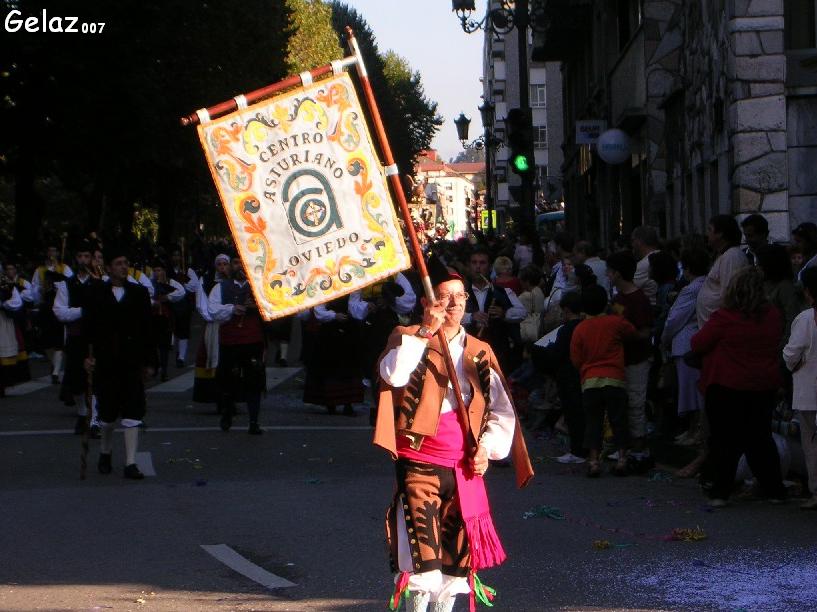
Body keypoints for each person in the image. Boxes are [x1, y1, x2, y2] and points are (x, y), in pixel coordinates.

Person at [374, 256, 532, 612]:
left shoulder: (480, 351)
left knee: (454, 570)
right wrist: (426, 332)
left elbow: (502, 412)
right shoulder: (407, 337)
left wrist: (486, 449)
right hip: (420, 461)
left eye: (460, 297)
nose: (455, 304)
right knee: (422, 564)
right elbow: (393, 376)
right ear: (428, 303)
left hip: (464, 467)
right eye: (445, 297)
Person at [690, 266, 787, 507]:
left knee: (725, 439)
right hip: (762, 384)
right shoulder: (773, 316)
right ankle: (774, 488)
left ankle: (720, 491)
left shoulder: (725, 317)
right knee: (760, 438)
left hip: (727, 383)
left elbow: (698, 343)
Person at [83, 246, 156, 479]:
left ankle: (130, 462)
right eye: (118, 263)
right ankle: (105, 452)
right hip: (106, 361)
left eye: (126, 263)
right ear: (108, 268)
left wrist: (149, 361)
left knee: (134, 410)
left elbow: (147, 330)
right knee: (107, 414)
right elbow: (89, 328)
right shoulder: (96, 293)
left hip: (132, 361)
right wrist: (87, 356)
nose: (124, 267)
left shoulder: (139, 294)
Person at [570, 284, 638, 477]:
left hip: (590, 380)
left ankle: (593, 461)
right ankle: (623, 458)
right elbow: (632, 333)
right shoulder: (615, 322)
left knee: (593, 422)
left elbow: (576, 358)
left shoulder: (580, 328)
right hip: (614, 377)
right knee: (618, 420)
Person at [660, 249, 709, 476]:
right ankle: (693, 429)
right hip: (692, 340)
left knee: (690, 391)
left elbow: (675, 317)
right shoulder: (705, 286)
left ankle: (695, 430)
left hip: (686, 340)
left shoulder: (692, 289)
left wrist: (664, 338)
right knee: (691, 390)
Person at [207, 256, 267, 434]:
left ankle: (254, 422)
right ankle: (226, 412)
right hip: (230, 342)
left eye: (243, 262)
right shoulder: (220, 287)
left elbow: (276, 308)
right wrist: (233, 309)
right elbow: (213, 311)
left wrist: (258, 306)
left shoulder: (259, 286)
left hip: (253, 341)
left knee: (254, 382)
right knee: (227, 380)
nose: (240, 266)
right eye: (236, 262)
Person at [607, 251, 654, 467]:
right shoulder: (617, 299)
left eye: (610, 271)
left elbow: (646, 332)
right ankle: (623, 446)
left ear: (617, 273)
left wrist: (627, 333)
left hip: (636, 359)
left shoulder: (638, 300)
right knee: (620, 404)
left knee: (636, 402)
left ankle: (638, 447)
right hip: (618, 359)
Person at [53, 239, 103, 433]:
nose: (83, 260)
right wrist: (82, 311)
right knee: (76, 381)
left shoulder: (100, 283)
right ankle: (83, 413)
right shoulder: (67, 284)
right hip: (76, 337)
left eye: (87, 256)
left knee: (95, 378)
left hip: (95, 337)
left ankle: (94, 419)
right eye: (80, 256)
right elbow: (59, 311)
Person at [532, 291, 585, 463]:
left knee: (573, 412)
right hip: (585, 374)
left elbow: (550, 353)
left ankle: (578, 451)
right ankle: (589, 450)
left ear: (566, 310)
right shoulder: (586, 327)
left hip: (568, 376)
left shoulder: (564, 331)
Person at [782, 267, 817, 511]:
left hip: (811, 391)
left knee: (812, 443)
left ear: (807, 292)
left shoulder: (806, 319)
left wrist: (793, 364)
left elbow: (791, 353)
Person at [463, 247, 526, 374]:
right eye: (474, 263)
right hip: (468, 351)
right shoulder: (461, 293)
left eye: (482, 263)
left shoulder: (503, 291)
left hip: (497, 351)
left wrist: (504, 314)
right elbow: (449, 316)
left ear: (490, 267)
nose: (478, 267)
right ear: (469, 266)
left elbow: (522, 312)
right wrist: (471, 317)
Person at [696, 214, 749, 328]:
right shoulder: (724, 255)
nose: (707, 234)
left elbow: (729, 294)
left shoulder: (731, 257)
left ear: (720, 234)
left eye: (710, 230)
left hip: (720, 327)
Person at [31, 242, 73, 385]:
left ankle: (55, 372)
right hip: (46, 306)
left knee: (59, 341)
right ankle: (54, 363)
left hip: (59, 305)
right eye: (50, 250)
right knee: (47, 342)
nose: (52, 253)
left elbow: (70, 284)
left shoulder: (64, 268)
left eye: (54, 250)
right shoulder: (40, 270)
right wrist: (39, 293)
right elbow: (34, 289)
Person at [192, 253, 231, 404]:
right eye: (219, 264)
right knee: (213, 355)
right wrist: (211, 317)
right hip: (214, 324)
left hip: (230, 323)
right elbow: (200, 302)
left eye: (225, 264)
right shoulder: (206, 280)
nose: (222, 267)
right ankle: (213, 394)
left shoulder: (233, 281)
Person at [150, 260, 186, 382]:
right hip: (153, 318)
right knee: (153, 344)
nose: (156, 273)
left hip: (166, 318)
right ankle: (156, 365)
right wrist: (153, 302)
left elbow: (181, 292)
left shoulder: (171, 282)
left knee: (164, 346)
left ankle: (164, 370)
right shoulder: (151, 283)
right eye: (154, 270)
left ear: (164, 271)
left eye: (159, 270)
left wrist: (168, 297)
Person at [169, 245, 200, 368]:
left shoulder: (188, 270)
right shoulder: (168, 270)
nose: (176, 258)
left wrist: (184, 283)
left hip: (184, 305)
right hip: (171, 303)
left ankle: (181, 356)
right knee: (172, 328)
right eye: (174, 255)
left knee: (183, 330)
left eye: (178, 255)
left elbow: (195, 285)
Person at [0, 276, 25, 398]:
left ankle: (2, 385)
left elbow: (17, 301)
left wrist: (3, 303)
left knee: (3, 354)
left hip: (3, 321)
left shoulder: (5, 283)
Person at [631, 225, 661, 306]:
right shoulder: (663, 256)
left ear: (639, 241)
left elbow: (628, 289)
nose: (632, 244)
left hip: (651, 311)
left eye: (633, 240)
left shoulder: (644, 264)